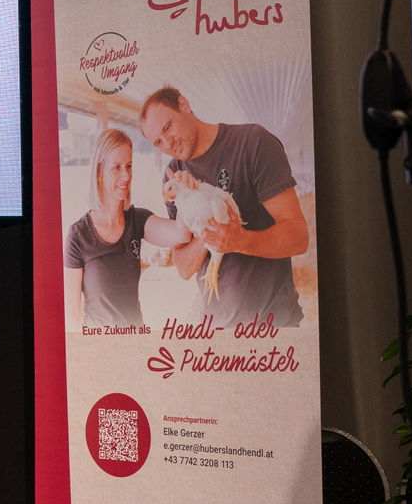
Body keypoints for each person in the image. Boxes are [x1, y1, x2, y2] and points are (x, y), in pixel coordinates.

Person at [138, 86, 308, 330]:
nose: (168, 144)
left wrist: (240, 240)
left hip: (273, 323)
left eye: (167, 127)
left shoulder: (252, 143)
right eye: (158, 142)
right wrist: (204, 225)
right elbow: (184, 268)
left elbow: (299, 237)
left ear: (184, 105)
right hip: (216, 328)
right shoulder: (174, 178)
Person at [64, 128, 190, 330]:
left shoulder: (137, 220)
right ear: (99, 173)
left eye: (129, 166)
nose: (126, 176)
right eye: (116, 167)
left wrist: (183, 192)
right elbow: (72, 314)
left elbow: (181, 234)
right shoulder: (78, 235)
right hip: (100, 345)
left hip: (135, 341)